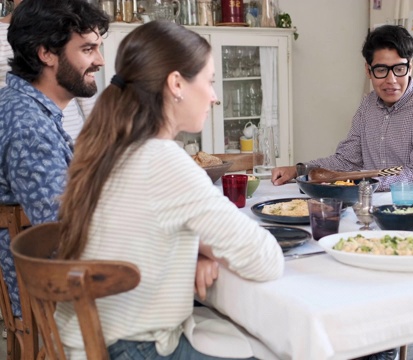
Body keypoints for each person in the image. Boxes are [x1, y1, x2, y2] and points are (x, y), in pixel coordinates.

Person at [56, 20, 284, 359]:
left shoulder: (108, 148)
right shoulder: (163, 160)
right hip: (135, 349)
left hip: (89, 343)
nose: (214, 97)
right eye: (209, 82)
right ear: (176, 83)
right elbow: (265, 260)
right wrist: (206, 247)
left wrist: (196, 249)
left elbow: (143, 235)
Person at [0, 0, 109, 321]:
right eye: (88, 49)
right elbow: (63, 238)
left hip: (56, 292)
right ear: (46, 53)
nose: (100, 61)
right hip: (58, 305)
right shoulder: (29, 126)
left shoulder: (21, 105)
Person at [271, 25, 413, 194]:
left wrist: (364, 181)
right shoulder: (368, 105)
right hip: (371, 204)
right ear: (368, 70)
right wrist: (298, 170)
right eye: (381, 70)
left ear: (410, 67)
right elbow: (346, 160)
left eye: (399, 68)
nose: (391, 80)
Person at [0, 0, 96, 141]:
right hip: (24, 138)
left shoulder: (61, 25)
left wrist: (99, 133)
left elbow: (83, 84)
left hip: (73, 137)